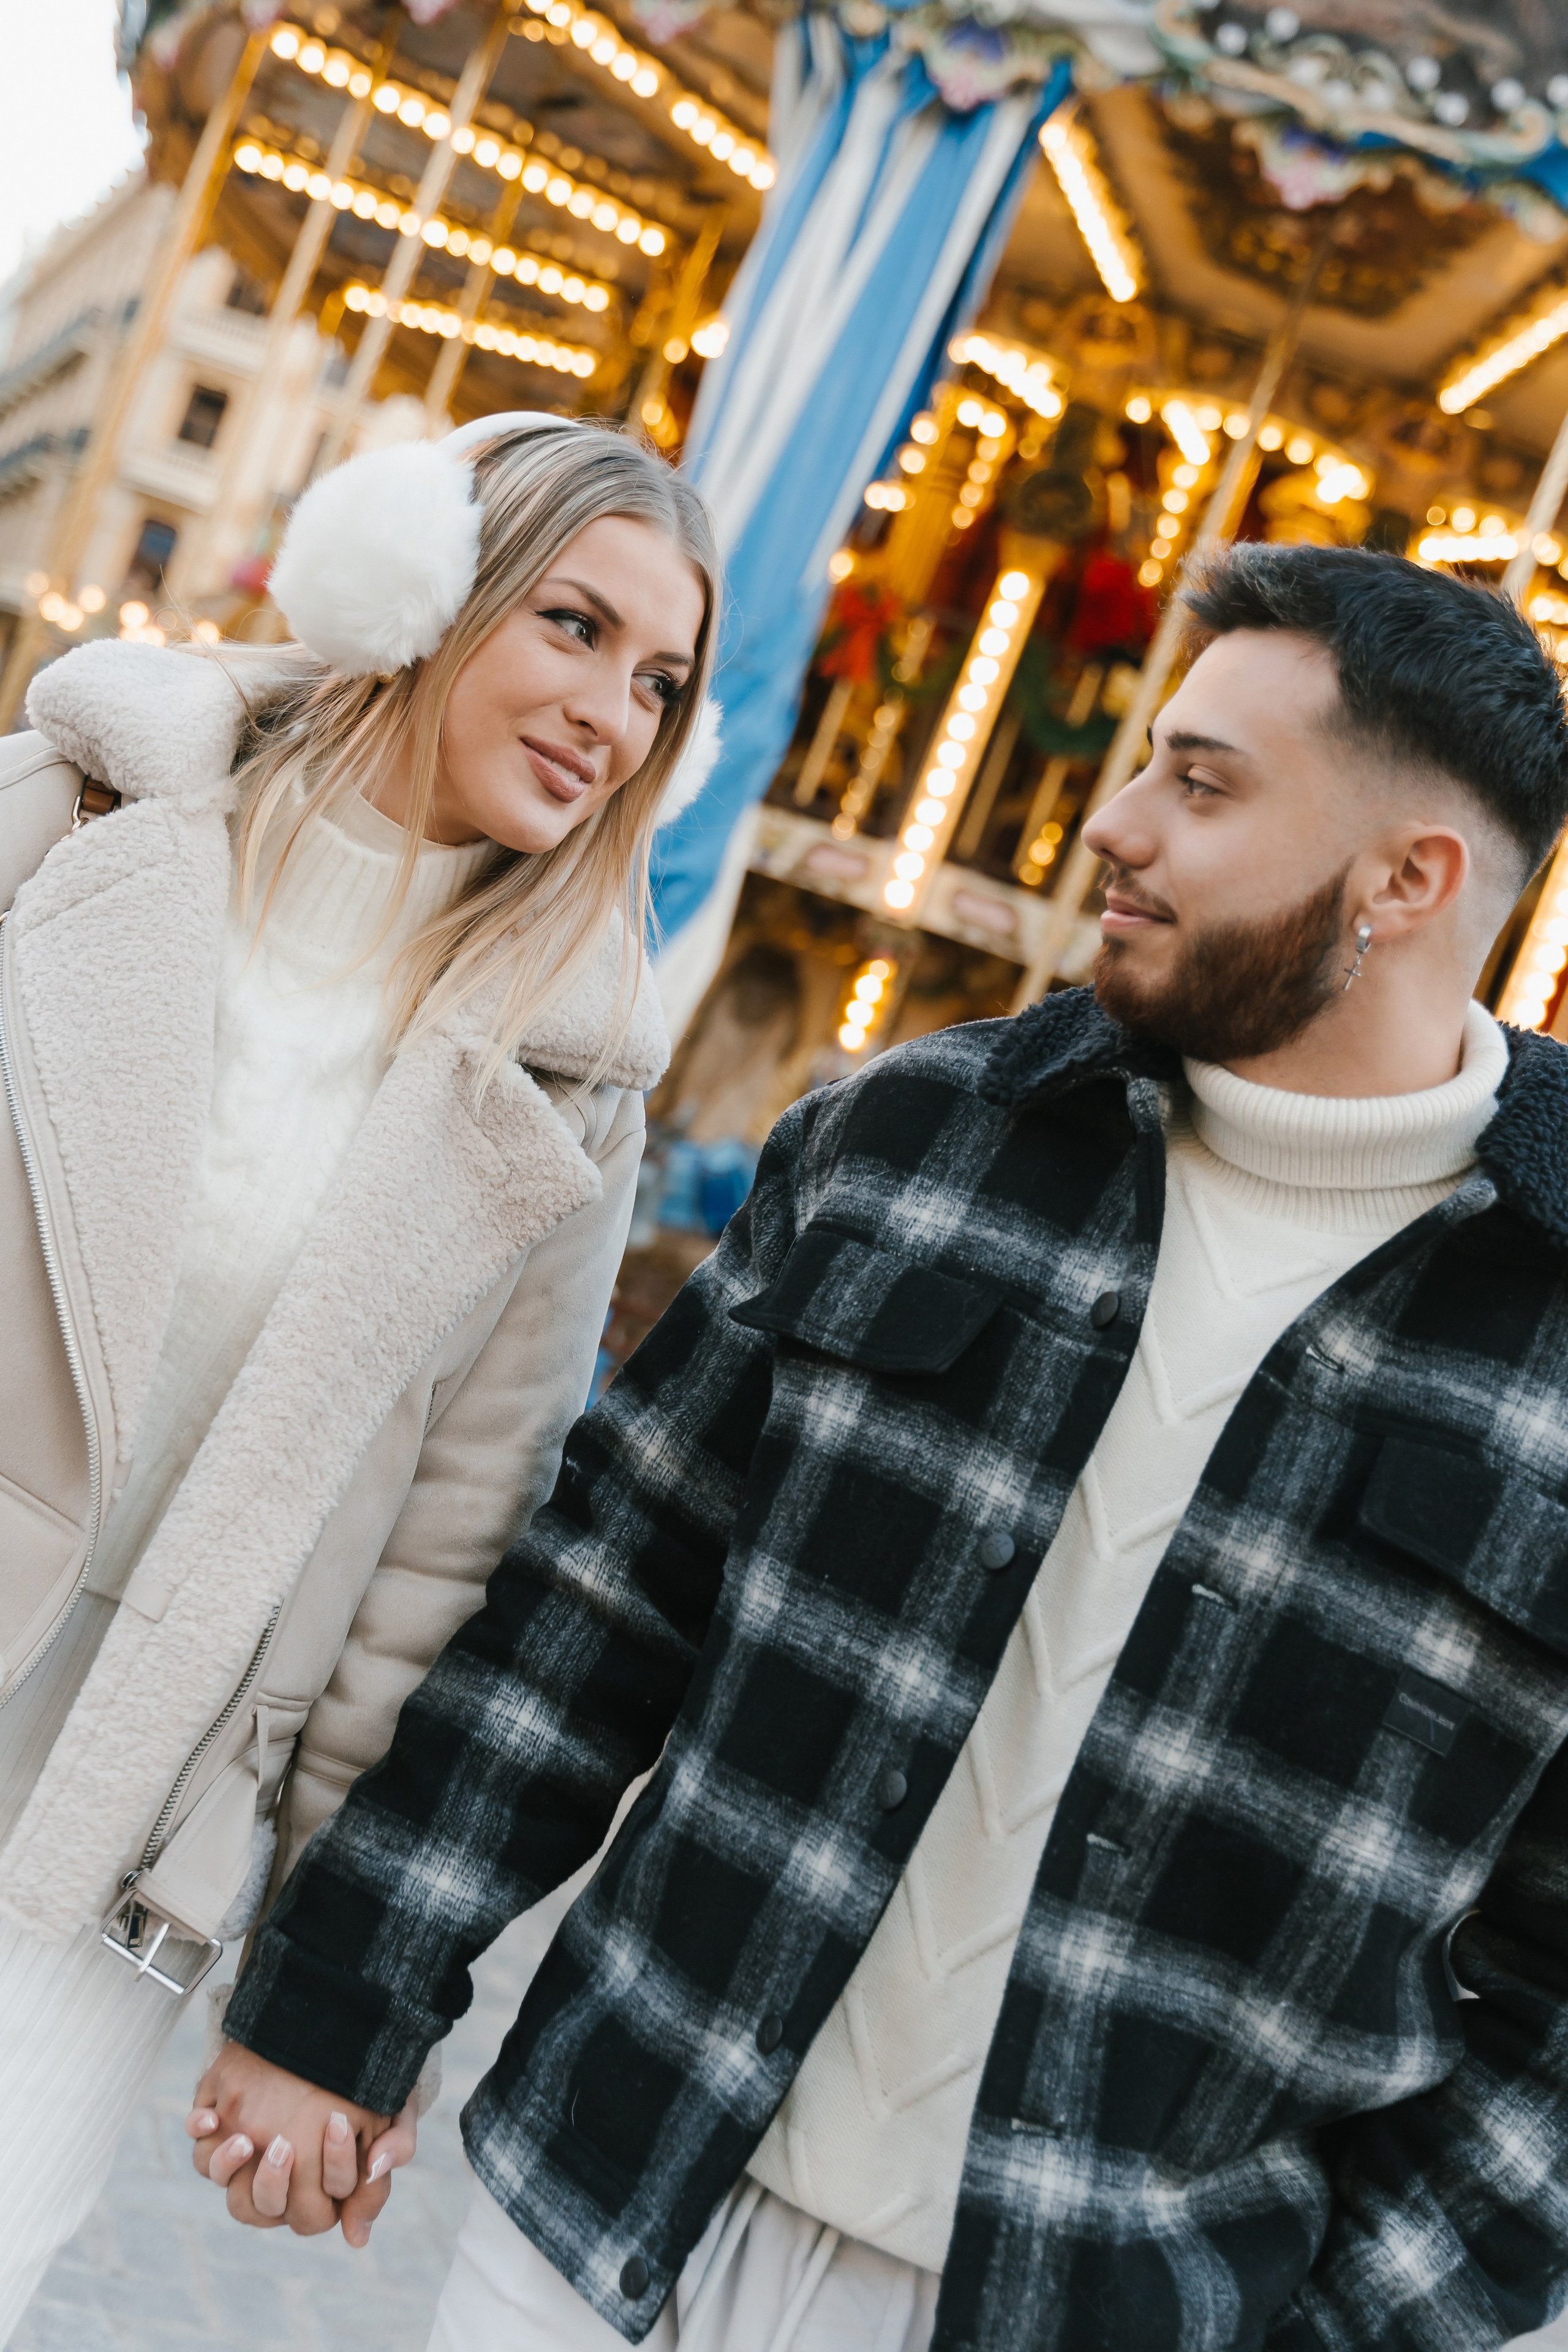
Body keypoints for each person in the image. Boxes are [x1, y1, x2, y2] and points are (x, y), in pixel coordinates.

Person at [195, 543, 1568, 2351]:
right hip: (606, 2203)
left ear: (1409, 878)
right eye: (1148, 762)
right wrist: (338, 2006)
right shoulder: (913, 1140)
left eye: (1203, 784)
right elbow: (596, 1609)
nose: (1116, 825)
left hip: (1104, 2304)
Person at [0, 411, 718, 2339]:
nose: (612, 714)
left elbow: (450, 1547)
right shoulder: (67, 822)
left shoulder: (570, 1078)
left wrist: (329, 1993)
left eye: (660, 682)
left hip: (132, 1811)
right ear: (418, 586)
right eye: (573, 625)